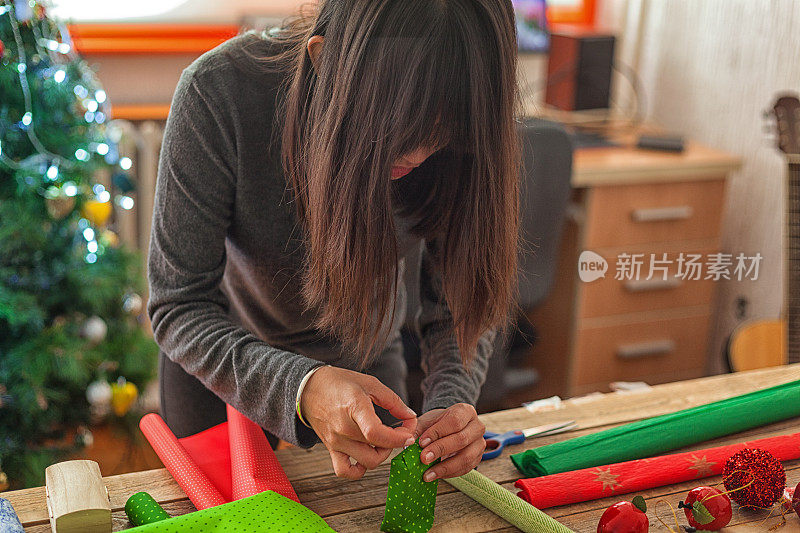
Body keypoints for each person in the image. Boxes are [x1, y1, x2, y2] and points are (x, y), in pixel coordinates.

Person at [147, 0, 521, 483]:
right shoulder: (218, 92)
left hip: (365, 357)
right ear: (324, 61)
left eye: (442, 129)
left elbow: (462, 303)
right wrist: (302, 388)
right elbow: (179, 305)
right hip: (221, 359)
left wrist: (451, 404)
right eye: (396, 125)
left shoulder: (473, 113)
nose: (416, 153)